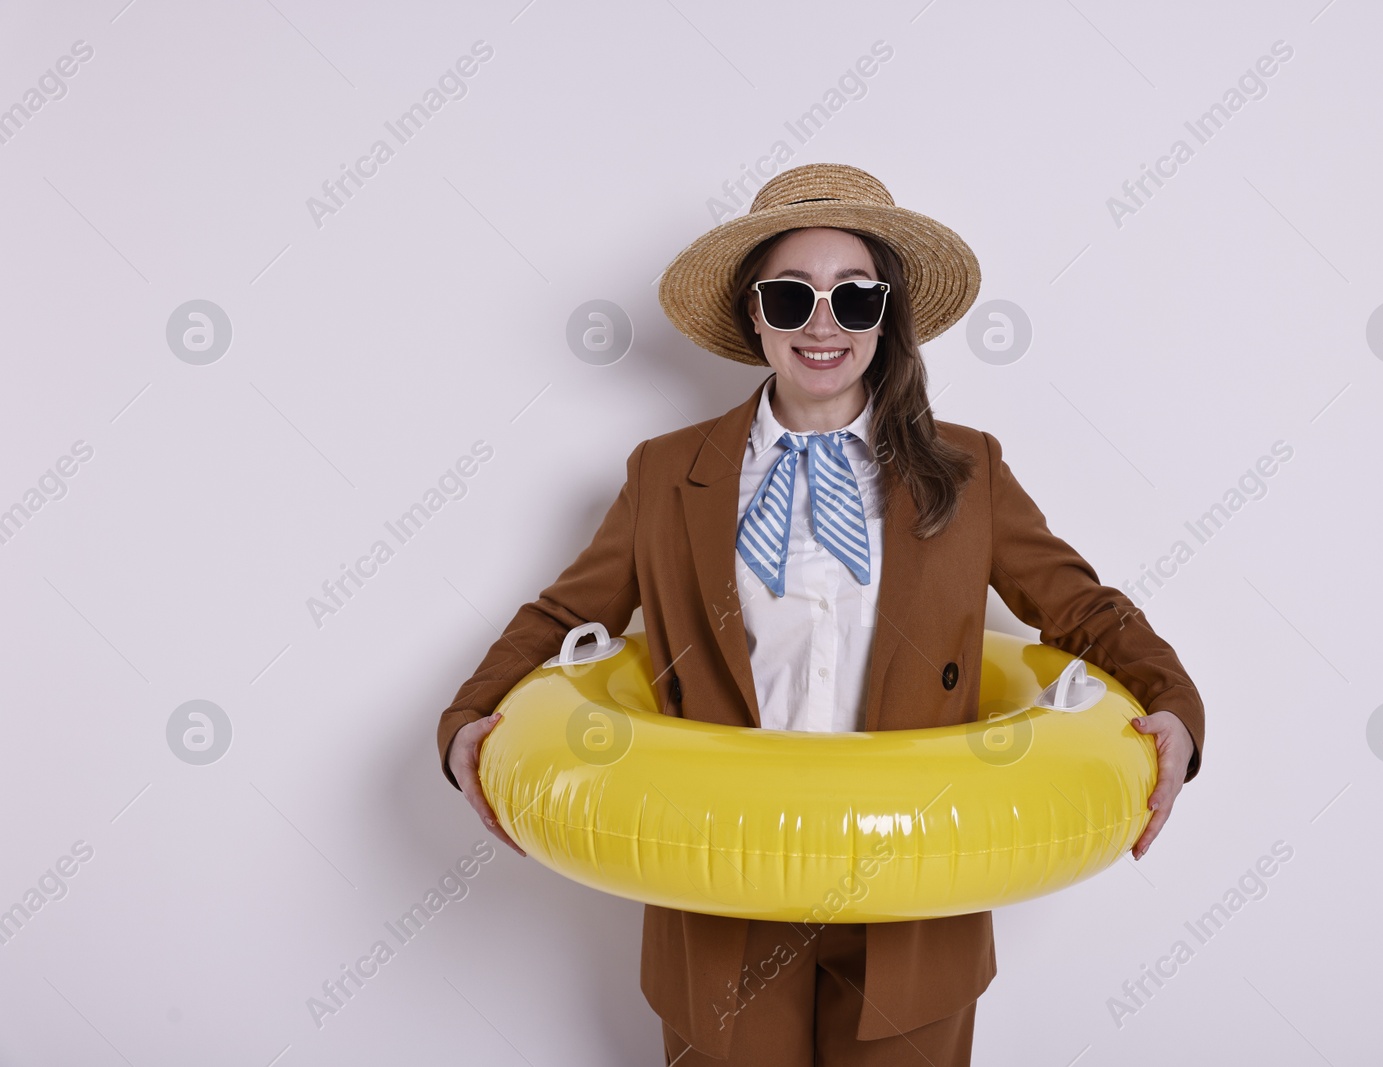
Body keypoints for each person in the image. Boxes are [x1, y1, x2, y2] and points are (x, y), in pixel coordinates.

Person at [435, 163, 1206, 1066]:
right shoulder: (664, 472)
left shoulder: (968, 470)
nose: (823, 324)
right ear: (755, 314)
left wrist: (1177, 708)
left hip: (914, 899)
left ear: (887, 316)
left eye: (855, 297)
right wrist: (465, 721)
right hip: (721, 894)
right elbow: (567, 614)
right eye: (792, 296)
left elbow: (1082, 609)